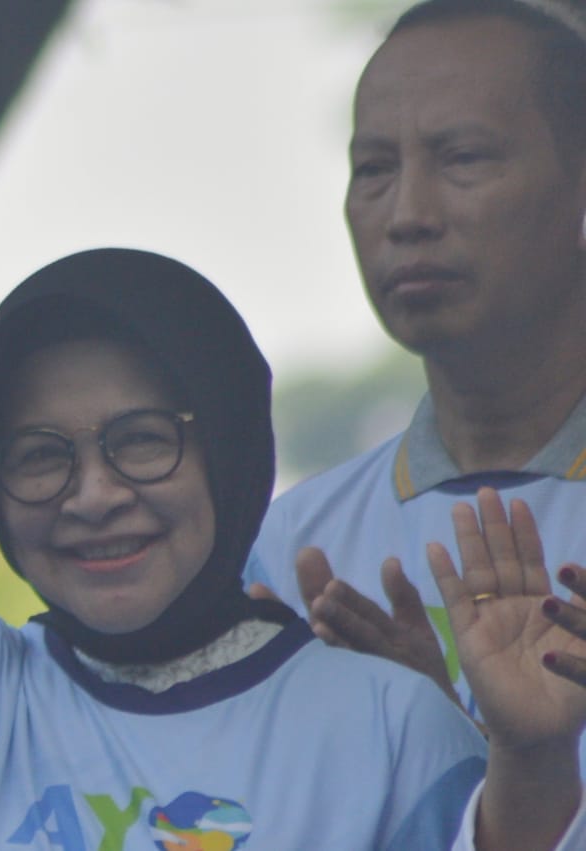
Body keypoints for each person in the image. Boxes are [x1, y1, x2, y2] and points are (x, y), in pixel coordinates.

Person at [0, 0, 586, 846]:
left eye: (143, 442)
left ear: (230, 451)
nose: (93, 495)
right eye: (41, 457)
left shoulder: (394, 719)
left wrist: (534, 760)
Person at [243, 0, 586, 747]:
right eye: (373, 169)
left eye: (462, 158)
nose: (407, 213)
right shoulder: (296, 546)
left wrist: (442, 735)